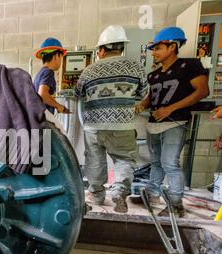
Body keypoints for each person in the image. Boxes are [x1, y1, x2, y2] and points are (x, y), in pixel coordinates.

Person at [136, 27, 210, 217]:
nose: (155, 52)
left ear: (173, 47)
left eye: (158, 48)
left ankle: (176, 204)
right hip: (154, 124)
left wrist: (171, 108)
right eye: (154, 49)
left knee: (170, 163)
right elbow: (151, 98)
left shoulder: (190, 66)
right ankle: (152, 196)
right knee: (156, 163)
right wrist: (141, 106)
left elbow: (202, 91)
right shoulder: (153, 75)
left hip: (174, 123)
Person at [74, 25, 148, 213]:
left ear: (101, 50)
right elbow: (145, 93)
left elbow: (77, 94)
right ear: (121, 47)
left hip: (93, 126)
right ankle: (119, 194)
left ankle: (97, 195)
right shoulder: (135, 66)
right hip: (122, 125)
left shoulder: (89, 71)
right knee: (124, 159)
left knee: (94, 160)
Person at [34, 38, 71, 114]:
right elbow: (42, 94)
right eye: (61, 57)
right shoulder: (48, 72)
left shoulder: (40, 73)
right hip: (44, 119)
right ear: (56, 56)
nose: (61, 61)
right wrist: (58, 106)